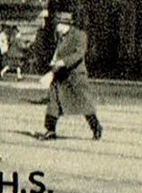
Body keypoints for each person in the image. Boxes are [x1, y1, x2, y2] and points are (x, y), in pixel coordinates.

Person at [39, 11, 102, 141]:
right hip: (60, 76)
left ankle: (96, 127)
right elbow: (58, 52)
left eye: (58, 24)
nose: (56, 27)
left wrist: (63, 62)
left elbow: (79, 54)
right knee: (53, 101)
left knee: (84, 104)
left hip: (75, 76)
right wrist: (54, 64)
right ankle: (50, 130)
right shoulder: (60, 35)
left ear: (65, 24)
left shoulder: (79, 35)